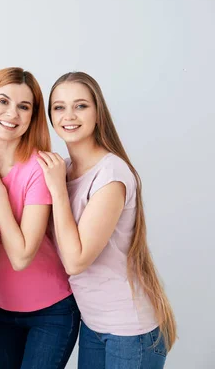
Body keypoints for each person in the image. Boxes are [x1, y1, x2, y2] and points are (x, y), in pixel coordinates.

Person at [37, 71, 177, 368]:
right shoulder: (62, 168)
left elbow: (76, 261)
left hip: (130, 331)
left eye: (81, 106)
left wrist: (58, 190)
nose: (69, 115)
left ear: (98, 112)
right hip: (94, 324)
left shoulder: (111, 175)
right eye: (59, 107)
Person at [0, 67, 80, 368]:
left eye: (23, 106)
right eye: (3, 101)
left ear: (32, 117)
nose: (12, 113)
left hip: (51, 312)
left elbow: (22, 256)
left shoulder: (39, 168)